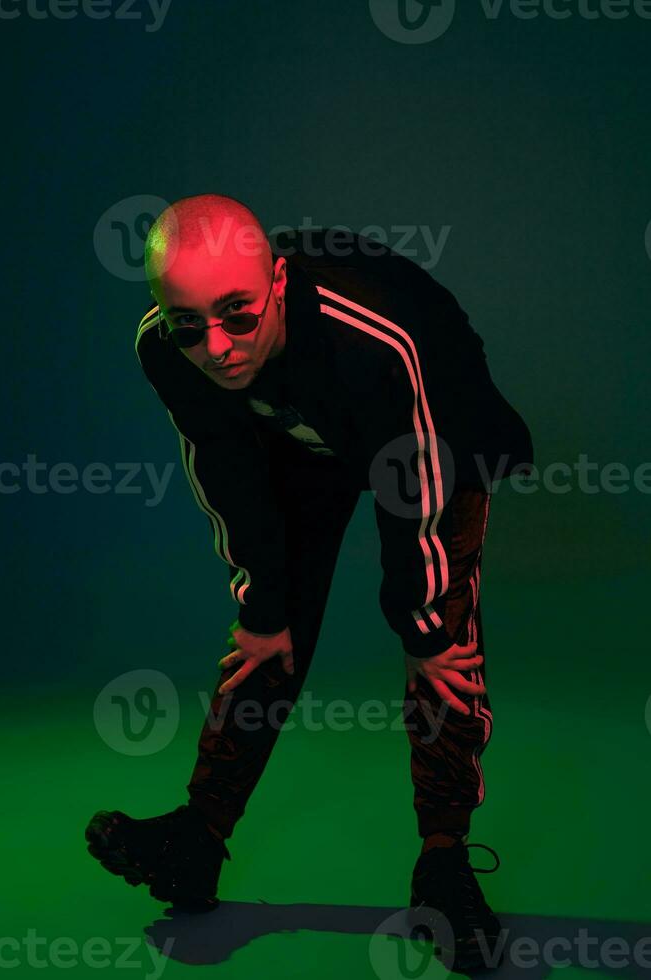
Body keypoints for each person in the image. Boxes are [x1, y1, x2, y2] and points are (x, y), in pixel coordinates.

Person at [85, 194, 533, 972]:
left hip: (434, 429)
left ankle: (444, 864)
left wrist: (424, 627)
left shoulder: (374, 341)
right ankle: (199, 838)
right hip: (302, 424)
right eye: (190, 323)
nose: (217, 347)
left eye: (238, 315)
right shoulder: (166, 349)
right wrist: (263, 604)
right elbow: (225, 469)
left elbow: (416, 482)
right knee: (265, 631)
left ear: (279, 285)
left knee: (443, 645)